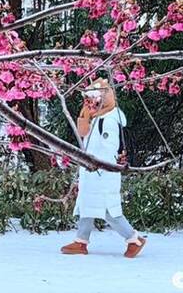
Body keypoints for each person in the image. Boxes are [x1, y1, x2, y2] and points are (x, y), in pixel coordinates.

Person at [60, 78, 146, 258]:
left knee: (108, 209)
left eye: (93, 100)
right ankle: (81, 241)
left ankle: (133, 239)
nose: (90, 104)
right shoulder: (95, 117)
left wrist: (97, 163)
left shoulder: (107, 119)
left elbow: (109, 147)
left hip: (102, 173)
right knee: (86, 204)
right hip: (91, 171)